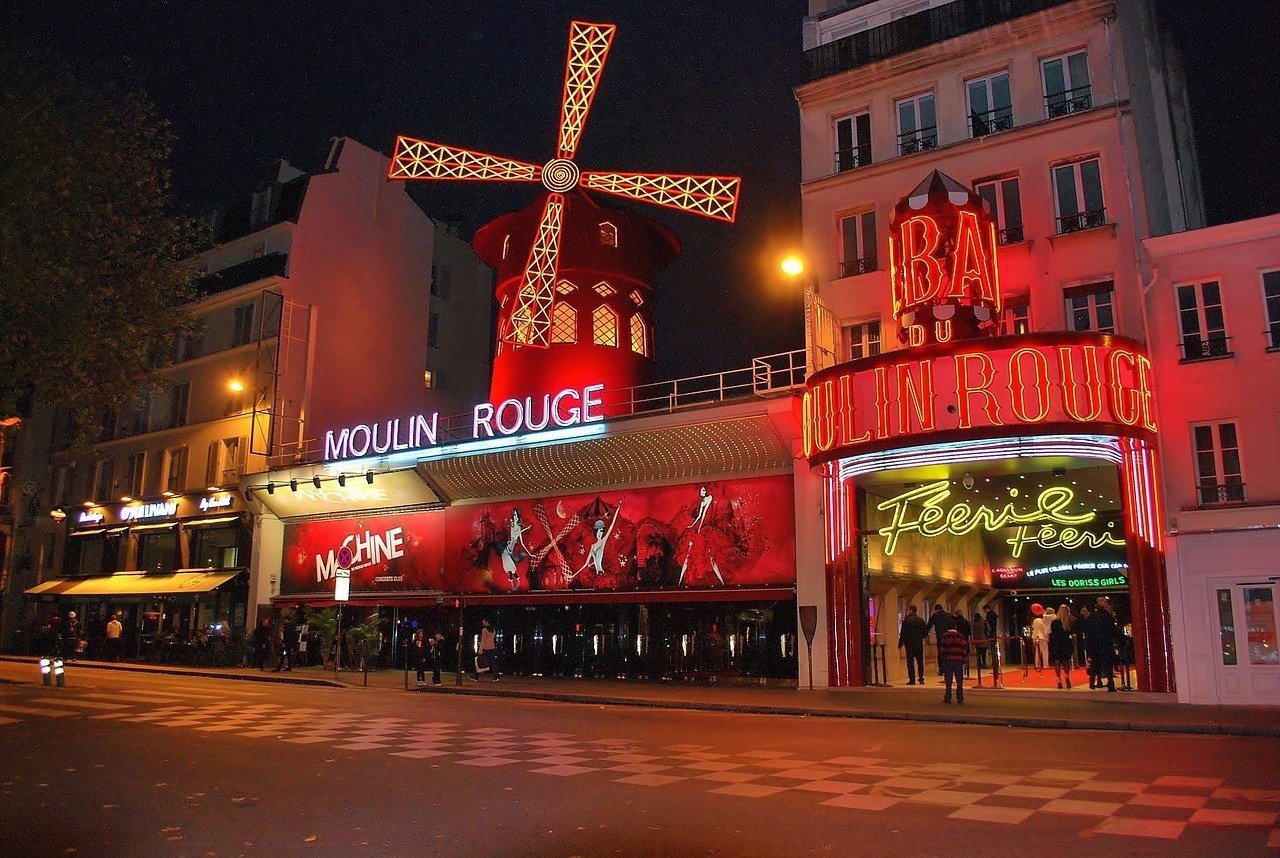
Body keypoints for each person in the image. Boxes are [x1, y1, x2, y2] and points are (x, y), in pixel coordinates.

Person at [1090, 597, 1119, 692]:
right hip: (1106, 643)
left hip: (1095, 643)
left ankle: (1093, 681)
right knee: (1108, 663)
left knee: (1096, 663)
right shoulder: (1107, 616)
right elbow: (1112, 629)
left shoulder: (1093, 616)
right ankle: (1110, 683)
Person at [939, 624, 969, 704]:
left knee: (948, 681)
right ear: (955, 627)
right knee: (959, 681)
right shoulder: (960, 636)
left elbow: (942, 650)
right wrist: (964, 660)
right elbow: (963, 649)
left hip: (948, 661)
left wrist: (943, 659)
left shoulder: (945, 636)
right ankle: (960, 697)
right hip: (958, 660)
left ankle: (948, 697)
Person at [898, 605, 927, 685]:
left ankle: (912, 679)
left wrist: (900, 644)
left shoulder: (906, 621)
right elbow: (925, 633)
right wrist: (920, 637)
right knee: (920, 662)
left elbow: (902, 634)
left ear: (910, 610)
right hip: (918, 644)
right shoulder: (921, 621)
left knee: (910, 663)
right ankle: (921, 679)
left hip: (909, 644)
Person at [1048, 603, 1075, 689]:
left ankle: (1059, 679)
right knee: (1066, 661)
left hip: (1056, 643)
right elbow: (1072, 632)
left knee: (1057, 662)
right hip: (1066, 642)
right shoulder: (1069, 621)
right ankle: (1067, 676)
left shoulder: (1055, 622)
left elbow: (1052, 633)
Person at [923, 604, 954, 675]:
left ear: (936, 609)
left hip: (940, 637)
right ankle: (950, 668)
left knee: (941, 653)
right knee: (949, 652)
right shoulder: (949, 615)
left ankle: (942, 669)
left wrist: (924, 635)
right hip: (949, 637)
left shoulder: (935, 616)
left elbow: (929, 626)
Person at [469, 617, 500, 681]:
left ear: (486, 622)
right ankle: (496, 676)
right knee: (493, 663)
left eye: (483, 622)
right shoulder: (493, 630)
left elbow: (483, 640)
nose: (483, 623)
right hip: (492, 648)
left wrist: (480, 649)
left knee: (480, 662)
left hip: (485, 649)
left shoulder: (484, 630)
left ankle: (475, 676)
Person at [983, 605, 1000, 674]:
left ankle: (995, 665)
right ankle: (996, 665)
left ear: (987, 609)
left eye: (984, 610)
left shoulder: (989, 615)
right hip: (994, 634)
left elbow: (989, 627)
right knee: (994, 650)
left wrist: (988, 634)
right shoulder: (994, 615)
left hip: (991, 635)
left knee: (993, 650)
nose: (984, 612)